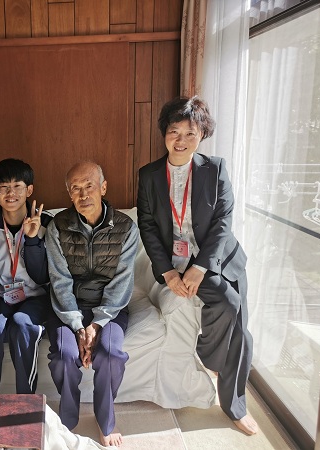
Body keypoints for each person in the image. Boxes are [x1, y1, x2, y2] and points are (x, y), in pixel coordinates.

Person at [136, 96, 259, 435]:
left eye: (190, 133)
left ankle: (234, 405)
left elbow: (223, 221)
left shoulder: (215, 168)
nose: (181, 140)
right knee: (228, 304)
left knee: (240, 324)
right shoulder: (148, 175)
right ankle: (213, 357)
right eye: (174, 132)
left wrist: (200, 268)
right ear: (164, 133)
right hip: (176, 261)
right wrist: (168, 272)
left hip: (220, 258)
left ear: (202, 134)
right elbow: (147, 225)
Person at [45, 161, 138, 448]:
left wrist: (96, 324)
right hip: (68, 307)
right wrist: (77, 325)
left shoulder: (126, 227)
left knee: (110, 354)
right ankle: (67, 421)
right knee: (64, 355)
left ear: (103, 188)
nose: (83, 194)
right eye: (76, 188)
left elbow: (122, 282)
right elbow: (59, 281)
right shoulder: (57, 226)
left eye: (89, 186)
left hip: (109, 308)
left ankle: (105, 420)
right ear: (69, 194)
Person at [0, 158, 53, 395]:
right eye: (4, 187)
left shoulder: (45, 222)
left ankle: (26, 399)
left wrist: (33, 240)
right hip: (0, 296)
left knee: (23, 324)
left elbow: (43, 276)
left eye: (17, 186)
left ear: (29, 190)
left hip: (36, 297)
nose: (11, 193)